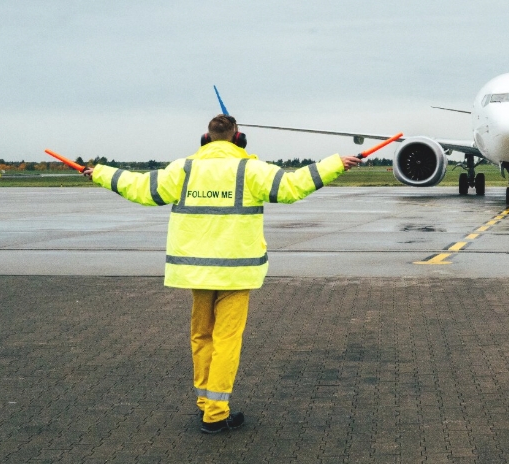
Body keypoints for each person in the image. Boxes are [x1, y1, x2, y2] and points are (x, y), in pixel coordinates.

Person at [83, 114, 361, 433]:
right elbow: (292, 186)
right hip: (235, 272)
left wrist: (100, 173)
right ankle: (216, 414)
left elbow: (141, 188)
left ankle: (206, 403)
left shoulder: (185, 169)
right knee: (226, 340)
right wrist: (335, 164)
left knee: (202, 336)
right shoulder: (249, 169)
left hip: (196, 271)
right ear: (238, 138)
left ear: (206, 138)